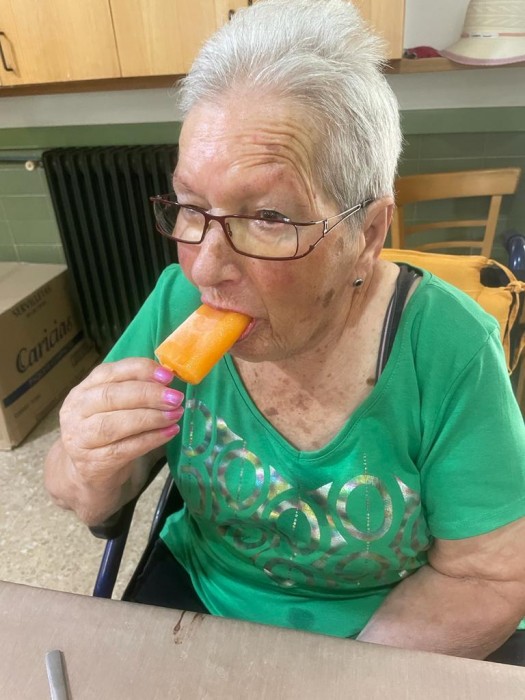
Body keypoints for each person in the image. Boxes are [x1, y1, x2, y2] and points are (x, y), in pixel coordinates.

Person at [44, 0, 525, 662]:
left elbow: (488, 576)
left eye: (268, 217)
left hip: (381, 635)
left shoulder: (449, 347)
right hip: (204, 598)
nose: (204, 268)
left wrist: (336, 678)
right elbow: (83, 491)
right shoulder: (176, 300)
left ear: (367, 234)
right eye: (190, 207)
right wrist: (87, 458)